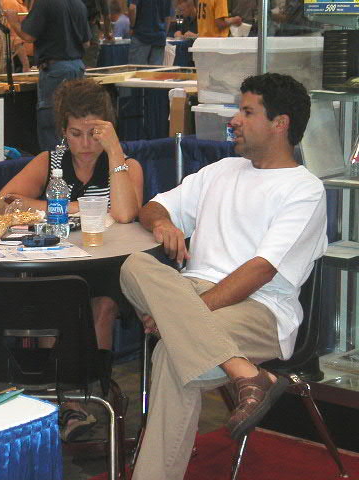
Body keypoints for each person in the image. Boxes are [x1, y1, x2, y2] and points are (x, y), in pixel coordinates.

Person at [119, 73, 327, 480]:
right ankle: (246, 374)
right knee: (134, 265)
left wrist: (178, 313)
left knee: (172, 353)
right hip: (191, 292)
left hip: (260, 308)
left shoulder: (304, 189)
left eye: (247, 112)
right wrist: (162, 224)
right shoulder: (223, 170)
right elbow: (153, 207)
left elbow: (261, 270)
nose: (234, 121)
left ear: (280, 123)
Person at [0, 78, 144, 441]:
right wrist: (73, 207)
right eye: (76, 134)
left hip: (105, 263)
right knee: (54, 299)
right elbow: (3, 202)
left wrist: (115, 150)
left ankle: (93, 387)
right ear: (63, 132)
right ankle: (66, 400)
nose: (86, 144)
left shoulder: (125, 165)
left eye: (95, 134)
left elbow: (125, 213)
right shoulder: (50, 161)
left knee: (103, 304)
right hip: (56, 260)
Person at [4, 0, 90, 152]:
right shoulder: (78, 4)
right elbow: (86, 43)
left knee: (52, 123)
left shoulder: (44, 3)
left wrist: (13, 22)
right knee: (74, 120)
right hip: (77, 66)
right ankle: (71, 159)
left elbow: (28, 36)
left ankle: (54, 163)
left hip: (55, 70)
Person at [128, 0, 172, 65]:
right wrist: (164, 33)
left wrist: (132, 27)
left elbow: (132, 8)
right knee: (155, 71)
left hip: (141, 36)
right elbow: (167, 17)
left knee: (137, 70)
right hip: (159, 38)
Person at [81, 0, 113, 68]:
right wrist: (107, 33)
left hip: (75, 27)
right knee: (89, 61)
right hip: (91, 26)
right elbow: (107, 16)